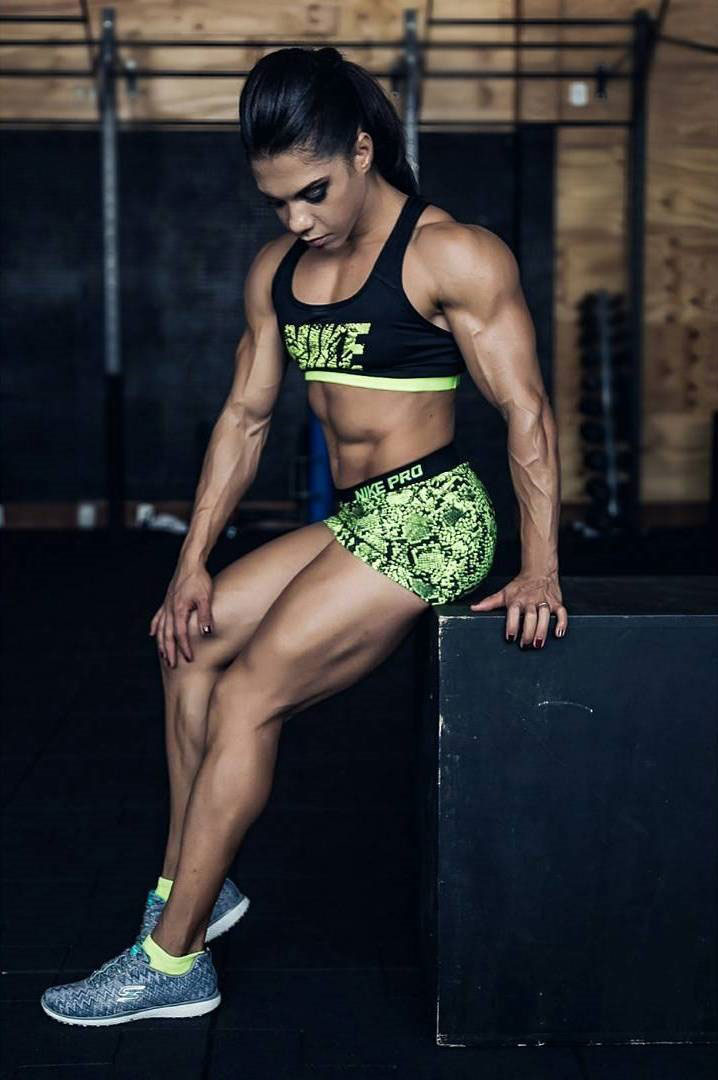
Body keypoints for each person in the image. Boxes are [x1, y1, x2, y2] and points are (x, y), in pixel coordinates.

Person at [41, 44, 568, 1026]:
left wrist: (540, 567)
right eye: (276, 201)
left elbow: (528, 413)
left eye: (312, 193)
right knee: (187, 644)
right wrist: (188, 563)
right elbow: (242, 421)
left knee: (247, 695)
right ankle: (193, 889)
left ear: (363, 150)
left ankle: (169, 962)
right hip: (356, 518)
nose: (296, 220)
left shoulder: (449, 254)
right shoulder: (278, 271)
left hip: (435, 515)